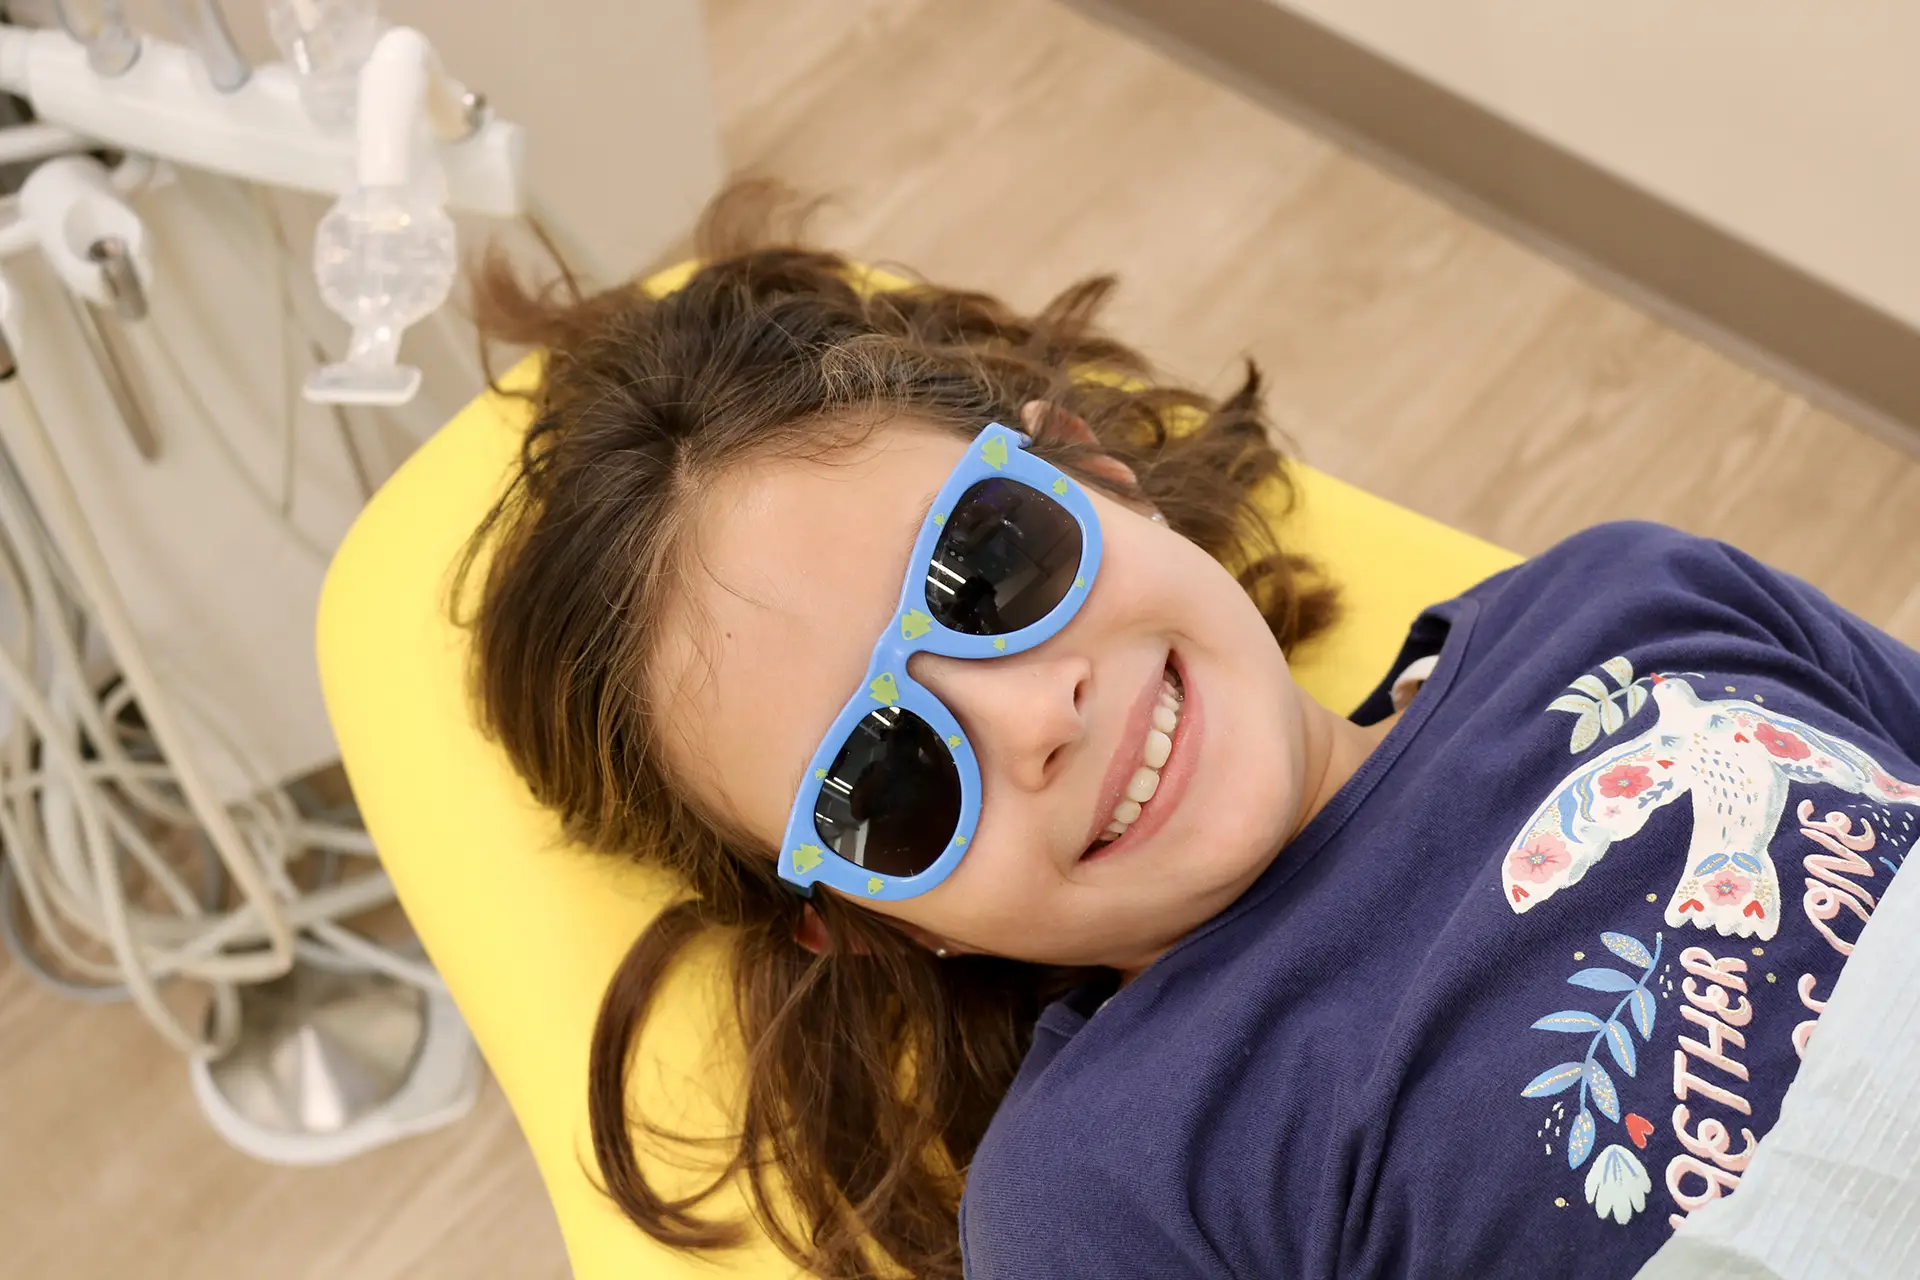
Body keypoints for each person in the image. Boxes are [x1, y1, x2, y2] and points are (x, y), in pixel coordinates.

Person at [457, 188, 1920, 1280]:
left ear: (1093, 469)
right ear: (873, 920)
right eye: (883, 777)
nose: (1033, 718)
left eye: (991, 566)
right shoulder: (1103, 1183)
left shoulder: (1626, 596)